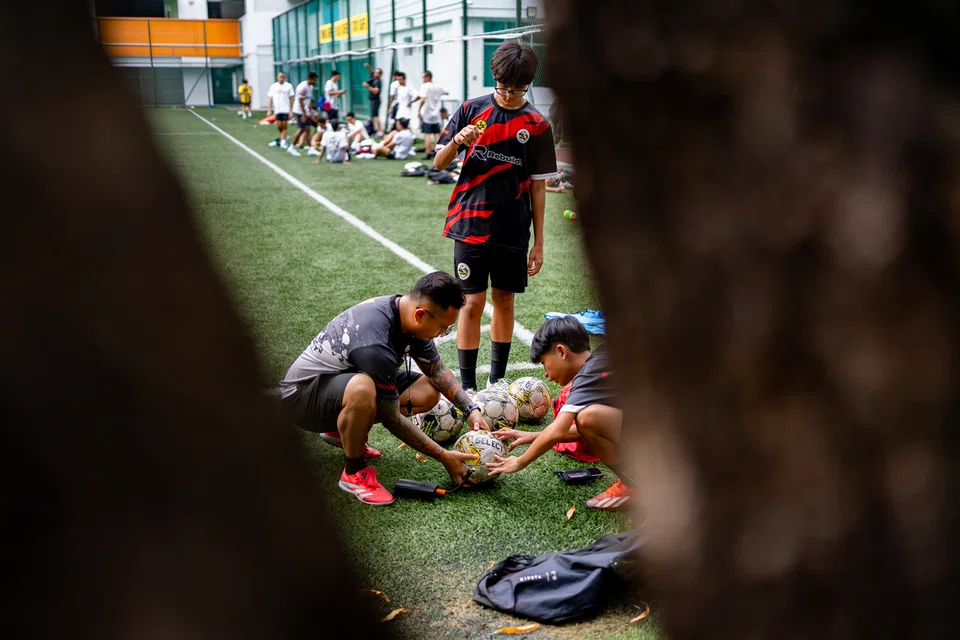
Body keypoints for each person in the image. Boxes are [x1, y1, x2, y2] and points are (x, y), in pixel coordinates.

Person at [279, 272, 487, 506]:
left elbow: (436, 371)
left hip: (337, 384)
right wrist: (443, 456)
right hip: (303, 399)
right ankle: (353, 472)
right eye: (443, 328)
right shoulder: (375, 341)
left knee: (426, 392)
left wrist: (471, 409)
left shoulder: (407, 315)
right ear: (420, 315)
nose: (441, 334)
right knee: (363, 388)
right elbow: (392, 418)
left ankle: (341, 432)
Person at [433, 40, 558, 393]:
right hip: (470, 224)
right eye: (502, 88)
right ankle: (469, 385)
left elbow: (537, 187)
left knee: (504, 300)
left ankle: (497, 379)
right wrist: (459, 139)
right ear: (494, 78)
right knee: (471, 303)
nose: (507, 95)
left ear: (529, 84)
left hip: (513, 230)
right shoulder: (472, 109)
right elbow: (439, 161)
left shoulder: (536, 125)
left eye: (516, 89)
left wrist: (539, 241)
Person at [486, 316, 633, 510]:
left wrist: (520, 462)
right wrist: (535, 436)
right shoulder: (604, 356)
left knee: (587, 417)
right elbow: (592, 427)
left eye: (544, 363)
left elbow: (559, 430)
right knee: (589, 419)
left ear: (561, 352)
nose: (546, 374)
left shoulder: (587, 377)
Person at [414, 70, 448, 159]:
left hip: (427, 114)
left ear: (428, 77)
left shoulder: (424, 86)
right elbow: (446, 92)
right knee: (437, 133)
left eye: (424, 77)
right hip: (436, 114)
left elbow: (422, 99)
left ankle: (428, 152)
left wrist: (418, 110)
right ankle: (437, 152)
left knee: (427, 134)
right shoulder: (438, 87)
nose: (423, 79)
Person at [289, 71, 319, 156]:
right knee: (302, 129)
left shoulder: (310, 87)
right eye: (315, 80)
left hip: (305, 111)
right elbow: (300, 101)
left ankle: (311, 149)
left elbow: (308, 101)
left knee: (307, 129)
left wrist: (309, 112)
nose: (315, 82)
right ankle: (291, 147)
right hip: (299, 111)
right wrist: (304, 114)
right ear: (310, 79)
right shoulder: (303, 87)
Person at [266, 71, 295, 148]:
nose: (281, 78)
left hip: (286, 109)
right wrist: (269, 109)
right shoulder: (273, 86)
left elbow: (291, 99)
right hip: (277, 110)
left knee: (284, 125)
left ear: (285, 78)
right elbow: (270, 98)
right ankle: (285, 137)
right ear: (277, 77)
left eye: (283, 77)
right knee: (279, 126)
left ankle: (282, 142)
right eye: (280, 77)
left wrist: (291, 111)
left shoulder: (289, 86)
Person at [362, 64, 384, 136]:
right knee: (374, 116)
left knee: (375, 116)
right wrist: (369, 67)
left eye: (377, 73)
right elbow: (372, 72)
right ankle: (377, 130)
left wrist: (368, 86)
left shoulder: (377, 81)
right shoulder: (373, 78)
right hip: (372, 100)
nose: (375, 73)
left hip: (375, 100)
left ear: (380, 74)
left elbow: (376, 91)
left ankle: (380, 131)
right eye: (375, 72)